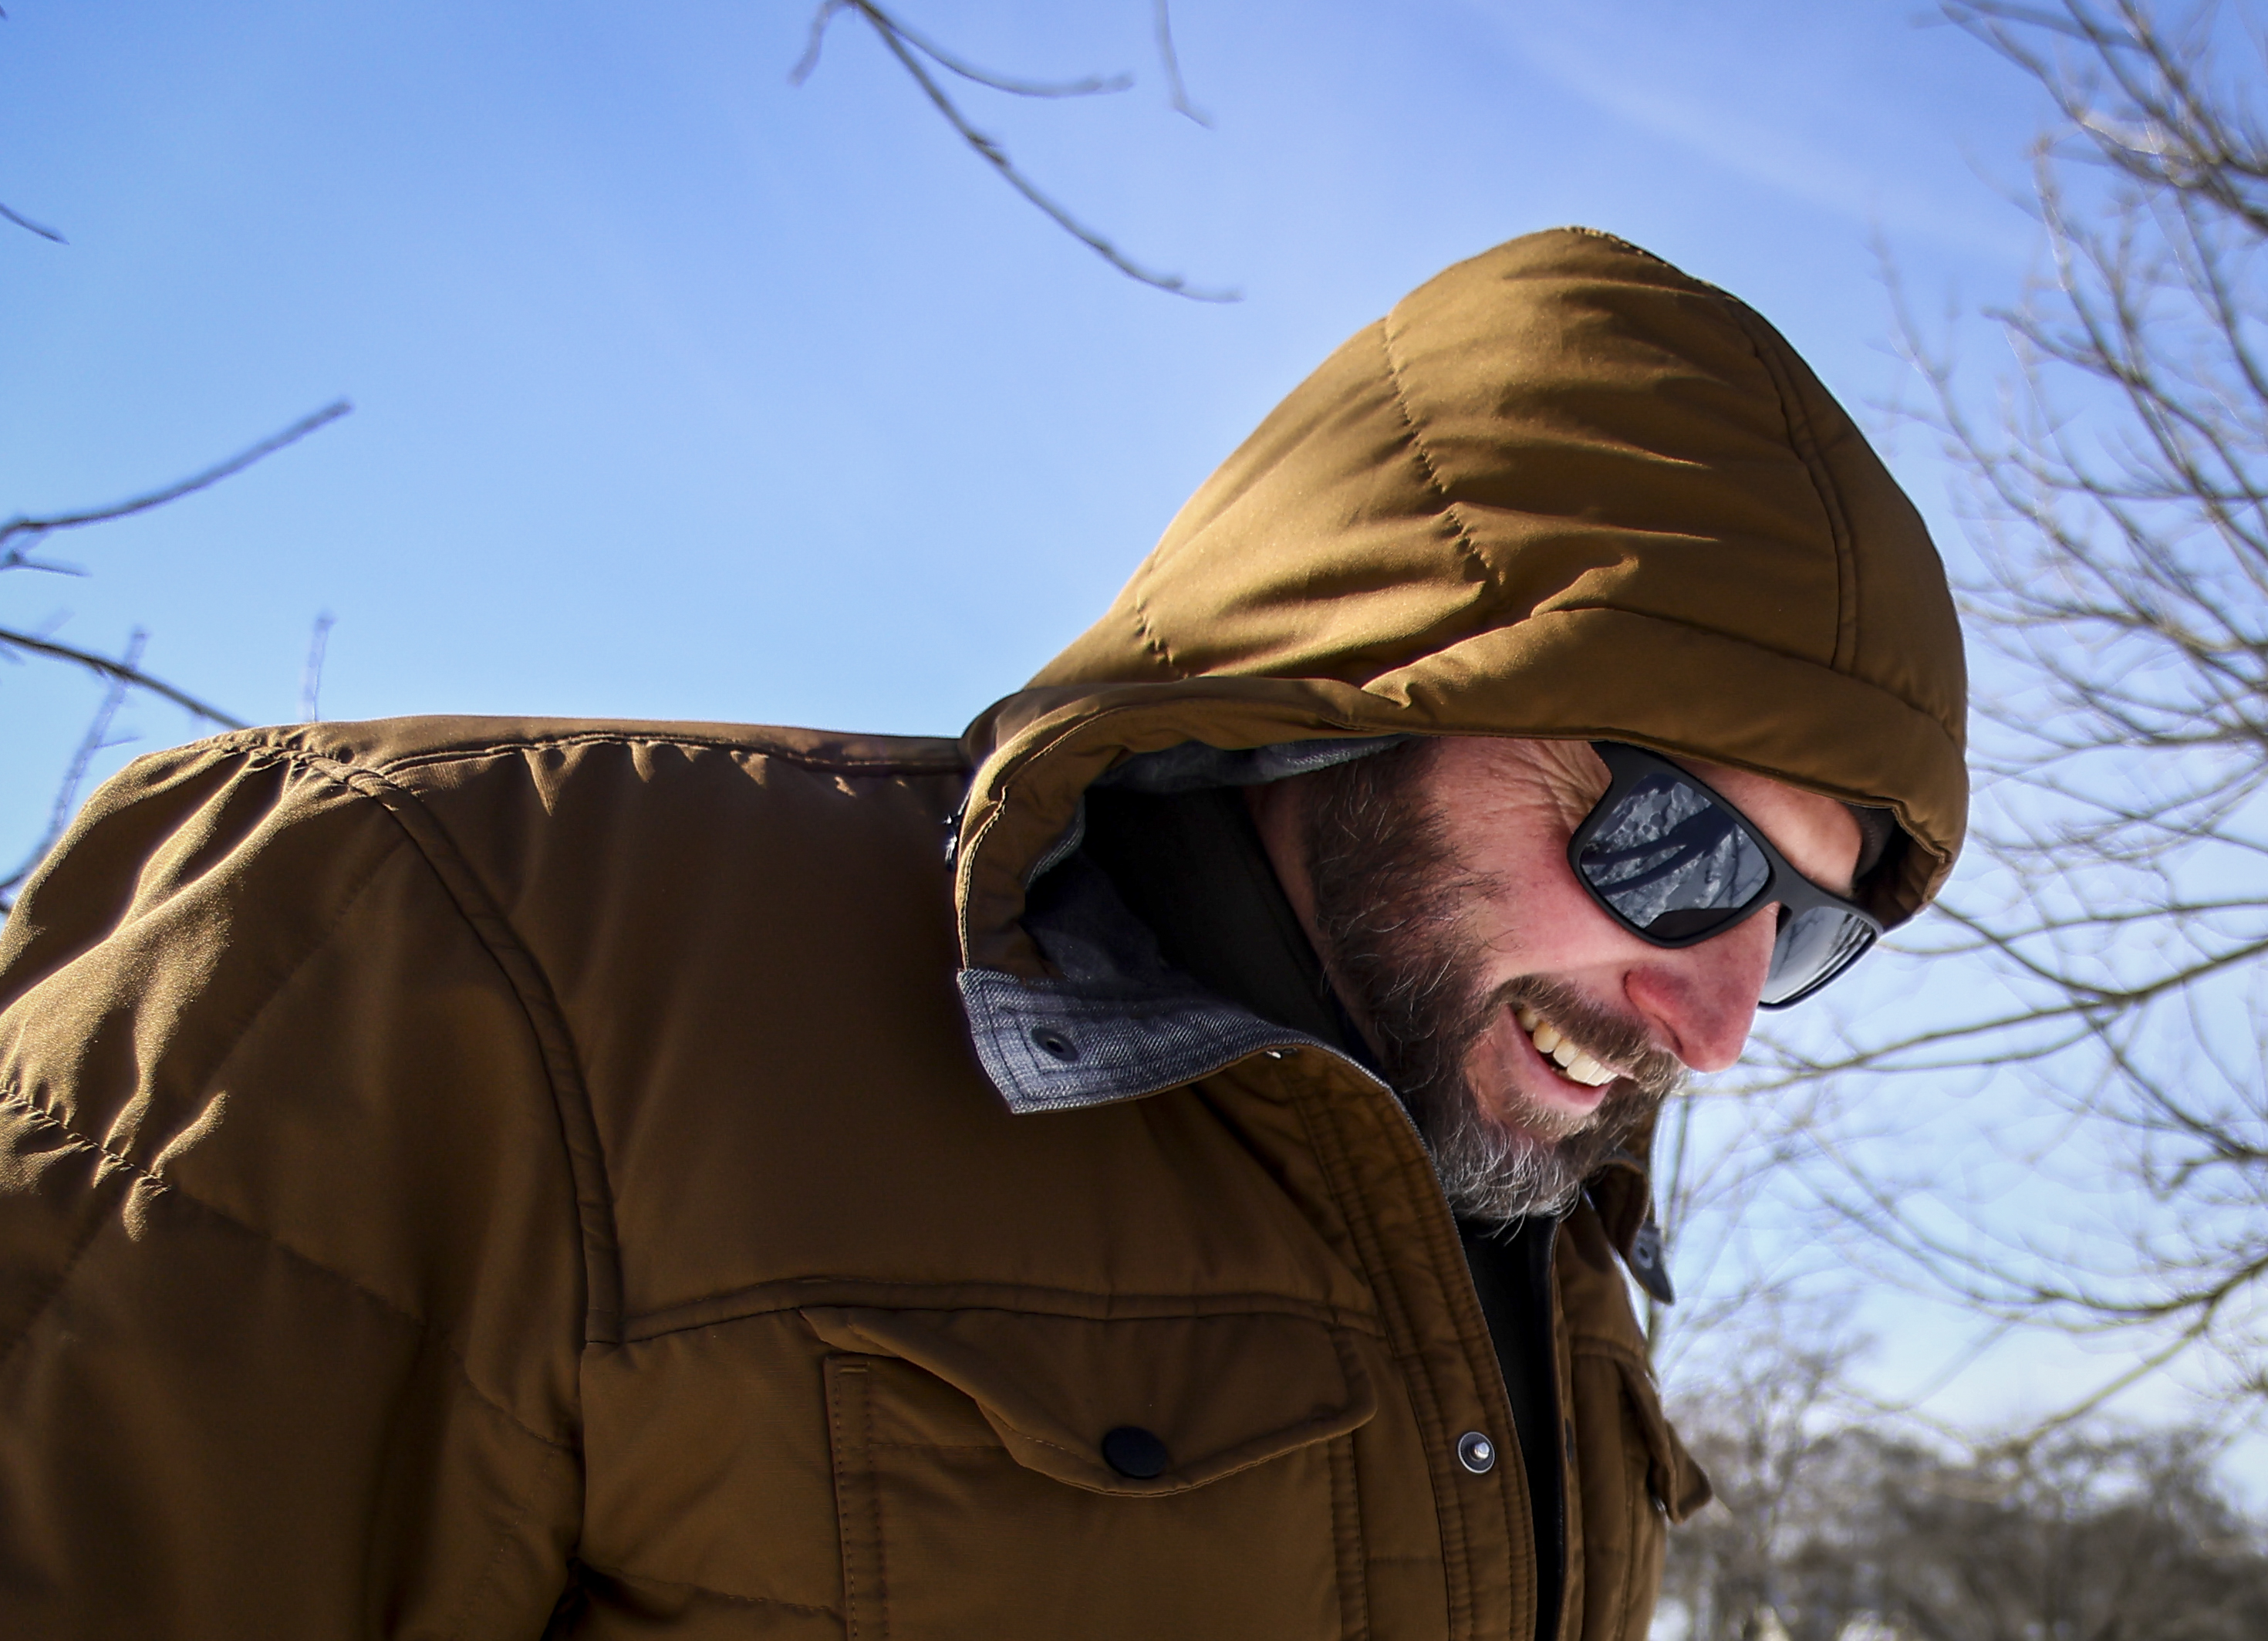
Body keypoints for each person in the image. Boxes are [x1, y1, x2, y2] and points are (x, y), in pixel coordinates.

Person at [0, 228, 1966, 1641]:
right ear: (1359, 687)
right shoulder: (443, 944)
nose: (1714, 1024)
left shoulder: (1528, 1225)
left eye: (1801, 926)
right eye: (1674, 841)